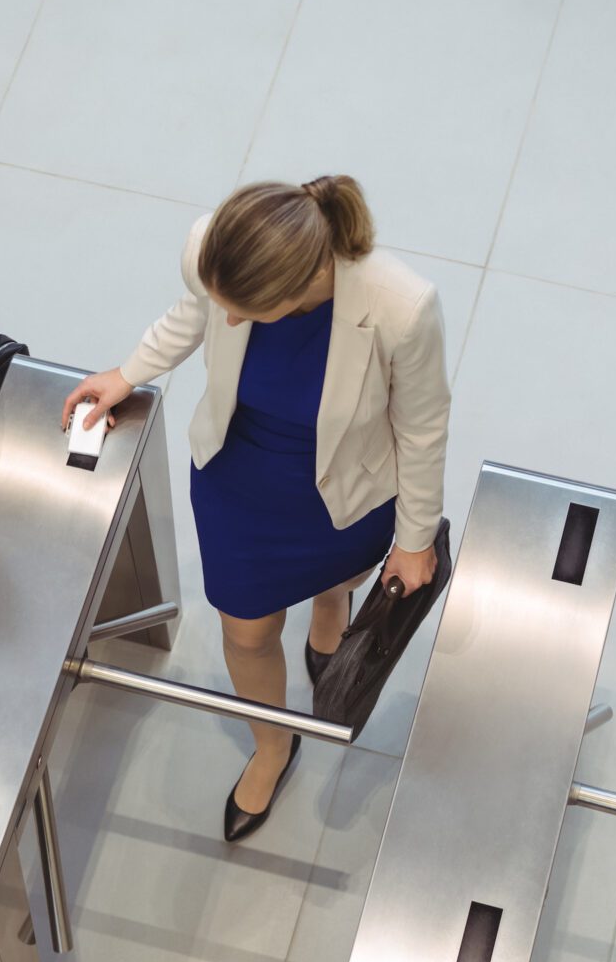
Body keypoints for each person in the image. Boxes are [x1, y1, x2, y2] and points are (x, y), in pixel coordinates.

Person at [63, 177, 449, 840]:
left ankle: (331, 606)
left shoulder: (399, 307)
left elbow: (421, 427)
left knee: (340, 584)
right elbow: (196, 309)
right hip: (238, 478)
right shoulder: (215, 246)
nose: (230, 321)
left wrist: (414, 540)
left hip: (342, 494)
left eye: (246, 311)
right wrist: (127, 373)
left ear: (296, 292)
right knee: (245, 633)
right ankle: (273, 746)